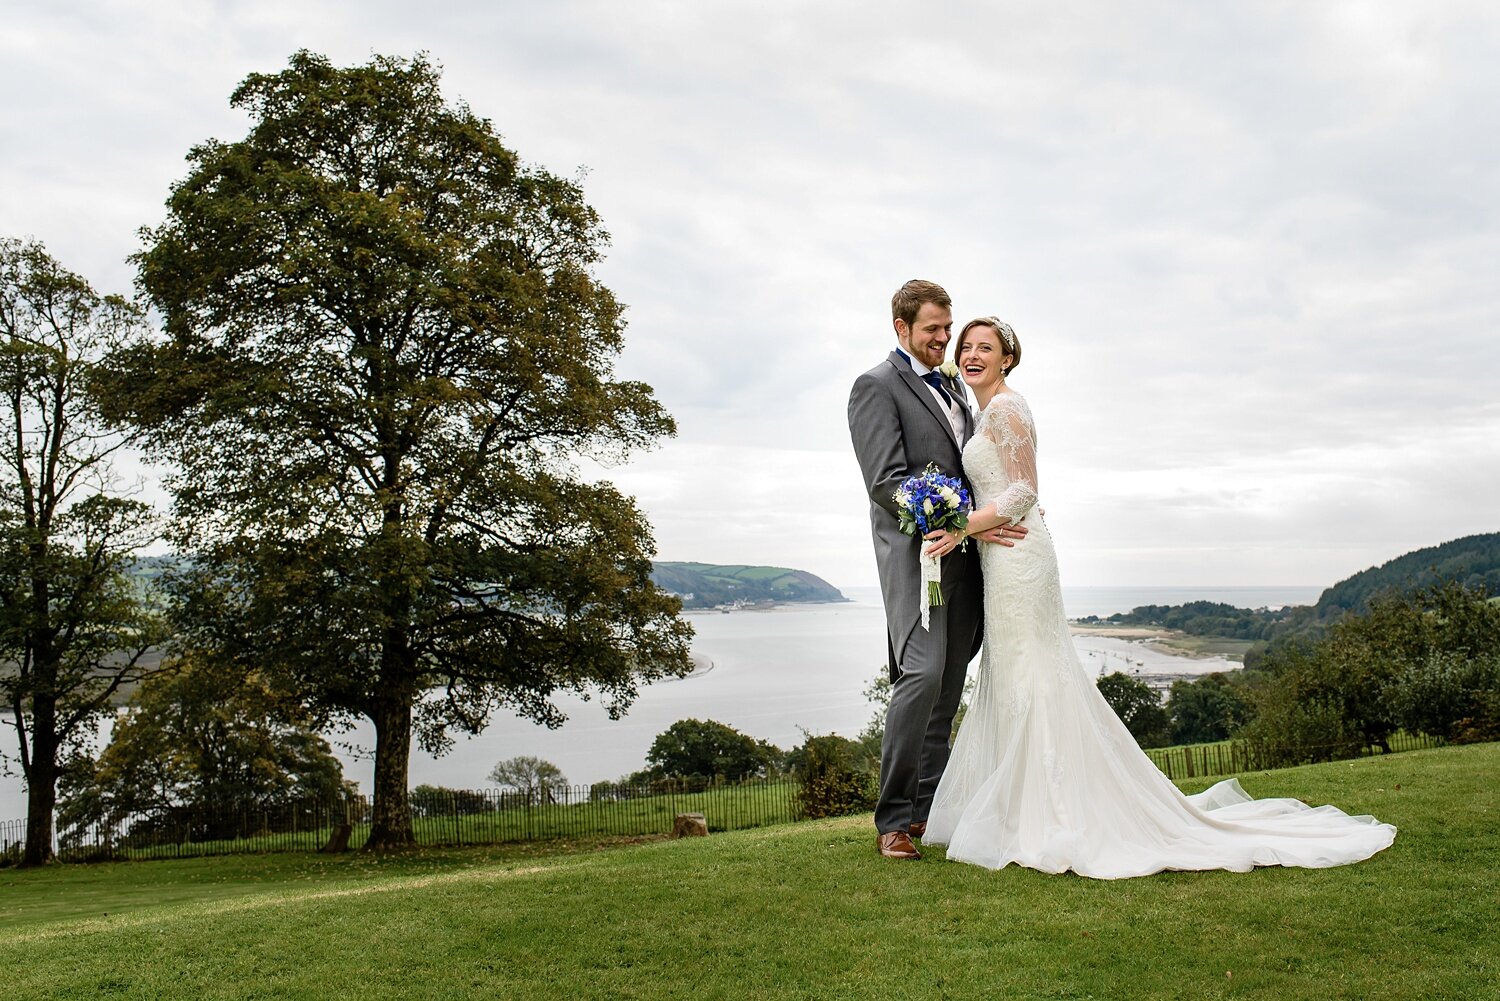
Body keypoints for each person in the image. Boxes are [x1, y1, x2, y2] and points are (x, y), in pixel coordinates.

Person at [918, 316, 1397, 877]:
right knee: (1016, 672)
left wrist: (960, 525)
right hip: (1000, 557)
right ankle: (1019, 808)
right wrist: (976, 526)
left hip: (1022, 559)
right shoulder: (982, 412)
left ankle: (1052, 814)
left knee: (1038, 675)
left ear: (1007, 359)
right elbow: (1008, 492)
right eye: (965, 346)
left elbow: (1025, 490)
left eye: (985, 347)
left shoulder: (1008, 408)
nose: (972, 354)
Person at [847, 280, 1025, 861]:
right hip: (916, 556)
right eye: (933, 331)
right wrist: (947, 520)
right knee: (920, 676)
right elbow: (885, 482)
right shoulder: (874, 386)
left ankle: (925, 812)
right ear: (900, 328)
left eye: (948, 330)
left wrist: (989, 517)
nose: (944, 341)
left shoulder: (953, 383)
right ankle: (892, 821)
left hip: (969, 557)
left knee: (949, 683)